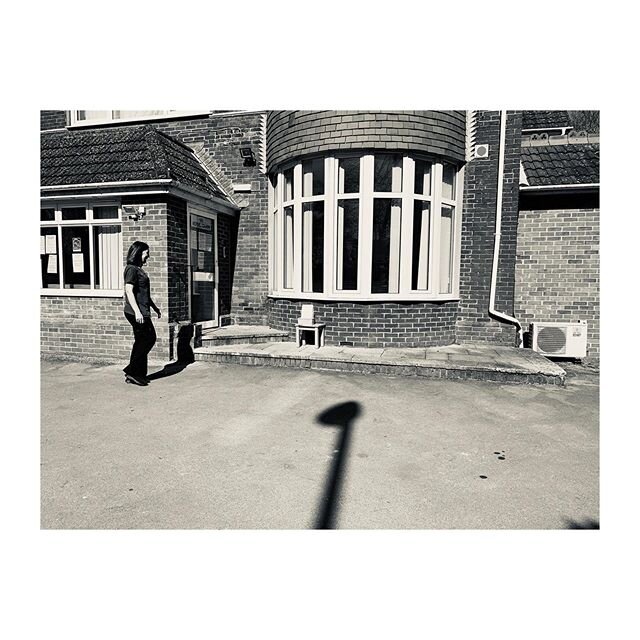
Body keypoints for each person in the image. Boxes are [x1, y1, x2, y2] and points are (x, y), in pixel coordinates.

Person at [122, 241, 162, 386]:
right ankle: (132, 371)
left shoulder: (139, 269)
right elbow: (129, 291)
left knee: (141, 342)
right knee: (149, 339)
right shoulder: (131, 269)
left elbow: (143, 293)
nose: (148, 256)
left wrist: (154, 307)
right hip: (135, 312)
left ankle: (137, 374)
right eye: (146, 252)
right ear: (138, 253)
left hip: (142, 311)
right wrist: (138, 312)